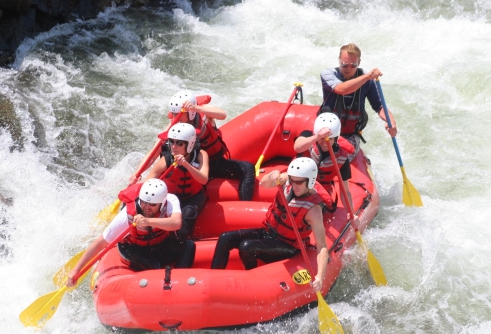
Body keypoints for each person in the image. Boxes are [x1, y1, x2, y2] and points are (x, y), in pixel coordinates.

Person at [210, 157, 329, 292]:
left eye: (299, 183)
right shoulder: (287, 180)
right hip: (269, 232)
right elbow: (264, 184)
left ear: (310, 181)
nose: (294, 185)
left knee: (247, 246)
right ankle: (214, 281)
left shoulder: (314, 210)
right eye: (292, 181)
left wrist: (320, 276)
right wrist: (271, 176)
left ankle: (252, 286)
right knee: (226, 237)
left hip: (288, 246)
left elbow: (322, 247)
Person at [133, 91, 255, 201]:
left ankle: (246, 203)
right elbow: (153, 153)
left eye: (179, 114)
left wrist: (196, 108)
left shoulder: (204, 113)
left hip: (214, 163)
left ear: (191, 113)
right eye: (174, 114)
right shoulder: (174, 127)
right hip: (190, 168)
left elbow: (223, 115)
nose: (175, 118)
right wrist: (137, 174)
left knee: (248, 168)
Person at [67, 179, 194, 285]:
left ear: (162, 204)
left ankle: (181, 280)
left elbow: (177, 223)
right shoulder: (126, 216)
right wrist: (76, 270)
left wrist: (147, 221)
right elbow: (100, 243)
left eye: (152, 205)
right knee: (154, 264)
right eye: (144, 202)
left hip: (159, 243)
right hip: (134, 249)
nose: (147, 207)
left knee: (188, 246)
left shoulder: (170, 201)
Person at [320, 43, 397, 159]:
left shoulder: (368, 81)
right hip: (326, 131)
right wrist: (367, 77)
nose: (348, 69)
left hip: (350, 134)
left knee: (343, 155)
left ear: (359, 63)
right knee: (321, 154)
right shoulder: (328, 74)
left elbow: (379, 106)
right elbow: (341, 89)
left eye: (353, 65)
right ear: (339, 60)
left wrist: (391, 122)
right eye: (344, 65)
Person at [145, 122, 209, 240]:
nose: (174, 146)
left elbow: (204, 180)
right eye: (172, 142)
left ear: (190, 144)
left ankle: (182, 242)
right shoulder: (167, 160)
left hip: (193, 197)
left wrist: (186, 165)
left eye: (179, 143)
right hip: (171, 198)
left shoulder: (201, 155)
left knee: (188, 213)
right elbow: (148, 181)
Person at [293, 112, 355, 207]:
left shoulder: (342, 158)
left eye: (329, 139)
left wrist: (351, 214)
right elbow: (297, 147)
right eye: (322, 138)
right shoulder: (308, 136)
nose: (325, 142)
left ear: (336, 138)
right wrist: (317, 136)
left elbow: (345, 191)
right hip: (298, 187)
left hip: (318, 194)